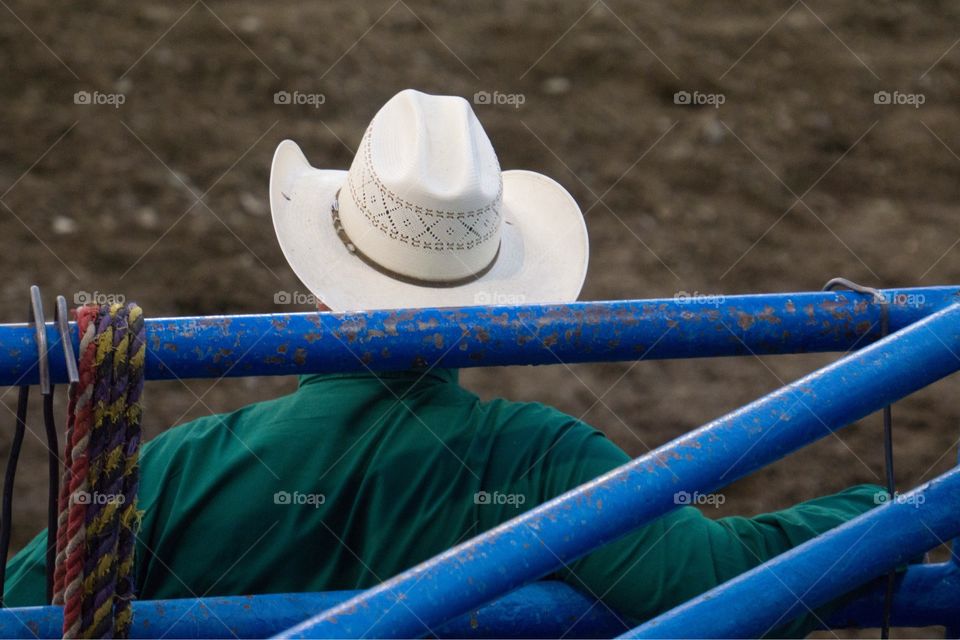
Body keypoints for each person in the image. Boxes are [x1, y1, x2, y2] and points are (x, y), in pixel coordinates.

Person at [5, 90, 884, 637]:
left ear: (317, 274)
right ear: (490, 295)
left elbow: (27, 608)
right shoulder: (541, 460)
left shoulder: (163, 470)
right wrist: (894, 506)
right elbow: (720, 585)